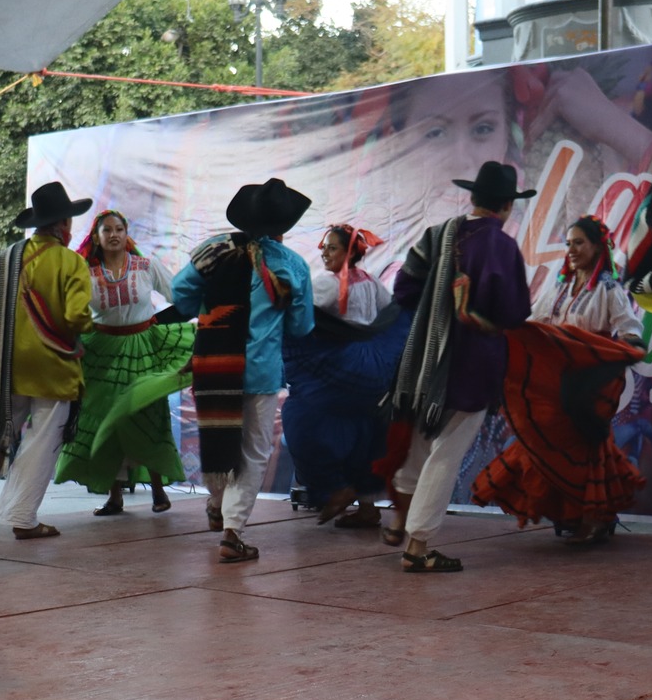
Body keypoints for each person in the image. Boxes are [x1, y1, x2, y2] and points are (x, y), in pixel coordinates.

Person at [384, 161, 533, 574]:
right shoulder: (502, 248)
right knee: (445, 455)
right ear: (506, 206)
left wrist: (437, 318)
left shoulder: (436, 236)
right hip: (473, 366)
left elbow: (404, 288)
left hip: (424, 363)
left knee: (419, 446)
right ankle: (418, 546)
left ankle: (399, 519)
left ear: (473, 198)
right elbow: (516, 312)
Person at [472, 214, 646, 545]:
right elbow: (533, 323)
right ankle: (577, 513)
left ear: (598, 247)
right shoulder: (560, 287)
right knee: (544, 437)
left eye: (579, 242)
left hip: (589, 381)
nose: (572, 249)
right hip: (555, 381)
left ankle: (594, 516)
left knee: (585, 444)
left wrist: (625, 351)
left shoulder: (608, 290)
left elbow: (629, 330)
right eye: (568, 243)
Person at [173, 179, 315, 563]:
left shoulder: (213, 250)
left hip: (214, 365)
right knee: (253, 452)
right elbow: (302, 327)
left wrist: (208, 306)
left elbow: (179, 294)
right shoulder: (291, 265)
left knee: (218, 438)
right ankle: (232, 532)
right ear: (282, 226)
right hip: (261, 371)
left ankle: (217, 504)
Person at [0, 182, 95, 539]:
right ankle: (23, 517)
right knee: (43, 440)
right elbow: (77, 316)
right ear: (64, 224)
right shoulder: (71, 262)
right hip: (54, 366)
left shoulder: (6, 258)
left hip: (5, 365)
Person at [56, 209, 191, 516]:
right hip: (101, 351)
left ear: (126, 234)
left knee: (148, 414)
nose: (114, 235)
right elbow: (71, 310)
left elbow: (180, 296)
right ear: (97, 237)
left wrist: (161, 323)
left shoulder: (146, 266)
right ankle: (114, 496)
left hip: (143, 346)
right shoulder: (86, 272)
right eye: (108, 230)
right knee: (104, 420)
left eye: (119, 229)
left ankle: (158, 491)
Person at [283, 224, 404, 529]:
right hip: (373, 369)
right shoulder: (372, 283)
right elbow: (388, 316)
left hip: (340, 366)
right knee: (363, 433)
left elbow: (300, 319)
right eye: (324, 247)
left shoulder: (325, 284)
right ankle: (367, 507)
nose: (324, 252)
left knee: (302, 424)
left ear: (349, 252)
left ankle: (334, 487)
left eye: (332, 247)